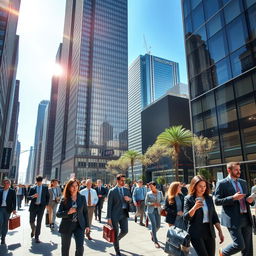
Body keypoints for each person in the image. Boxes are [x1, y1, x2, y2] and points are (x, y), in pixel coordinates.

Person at [215, 162, 255, 256]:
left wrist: (251, 200)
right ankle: (223, 252)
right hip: (233, 219)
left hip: (246, 217)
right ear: (229, 170)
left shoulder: (243, 182)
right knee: (239, 245)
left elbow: (248, 197)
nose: (239, 171)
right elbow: (217, 201)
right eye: (236, 170)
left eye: (239, 169)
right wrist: (233, 198)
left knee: (248, 248)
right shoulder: (222, 183)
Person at [184, 175, 224, 256]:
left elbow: (214, 216)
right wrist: (194, 207)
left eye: (204, 186)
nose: (203, 188)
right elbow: (186, 217)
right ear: (194, 186)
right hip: (196, 232)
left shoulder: (209, 198)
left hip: (209, 230)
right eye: (200, 186)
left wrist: (220, 231)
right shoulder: (188, 199)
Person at [57, 178, 89, 256]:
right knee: (65, 248)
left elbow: (85, 213)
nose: (75, 188)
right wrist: (68, 212)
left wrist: (87, 225)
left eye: (76, 186)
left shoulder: (82, 198)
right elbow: (58, 214)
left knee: (80, 248)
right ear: (68, 187)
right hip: (67, 225)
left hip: (79, 225)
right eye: (72, 186)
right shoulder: (64, 199)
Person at [107, 174, 132, 256]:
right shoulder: (112, 191)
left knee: (125, 231)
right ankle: (117, 251)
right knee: (115, 231)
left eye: (124, 180)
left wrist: (129, 199)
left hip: (124, 213)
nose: (123, 182)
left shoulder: (126, 190)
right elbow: (109, 205)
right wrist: (109, 218)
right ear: (117, 181)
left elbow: (131, 200)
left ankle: (115, 240)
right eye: (122, 180)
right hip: (115, 215)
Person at [28, 175, 50, 243]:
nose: (39, 183)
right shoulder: (32, 188)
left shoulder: (45, 188)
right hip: (33, 206)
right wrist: (33, 196)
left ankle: (37, 236)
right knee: (31, 221)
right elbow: (28, 197)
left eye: (40, 181)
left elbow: (48, 197)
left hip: (41, 207)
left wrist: (46, 205)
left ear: (42, 181)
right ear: (36, 181)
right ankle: (33, 229)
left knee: (39, 222)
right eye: (38, 181)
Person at [145, 181, 164, 248]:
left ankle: (153, 233)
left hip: (158, 210)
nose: (150, 188)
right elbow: (146, 202)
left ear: (155, 186)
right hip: (151, 211)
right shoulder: (148, 193)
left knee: (158, 225)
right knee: (154, 224)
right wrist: (152, 204)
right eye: (149, 187)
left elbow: (163, 201)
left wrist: (160, 204)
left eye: (151, 186)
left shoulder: (160, 193)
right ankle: (155, 241)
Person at [0, 179, 16, 245]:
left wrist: (14, 209)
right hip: (1, 208)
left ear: (9, 184)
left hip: (8, 209)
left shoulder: (12, 191)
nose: (6, 184)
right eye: (5, 183)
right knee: (0, 222)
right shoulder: (0, 190)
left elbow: (14, 201)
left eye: (7, 183)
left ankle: (3, 238)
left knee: (5, 223)